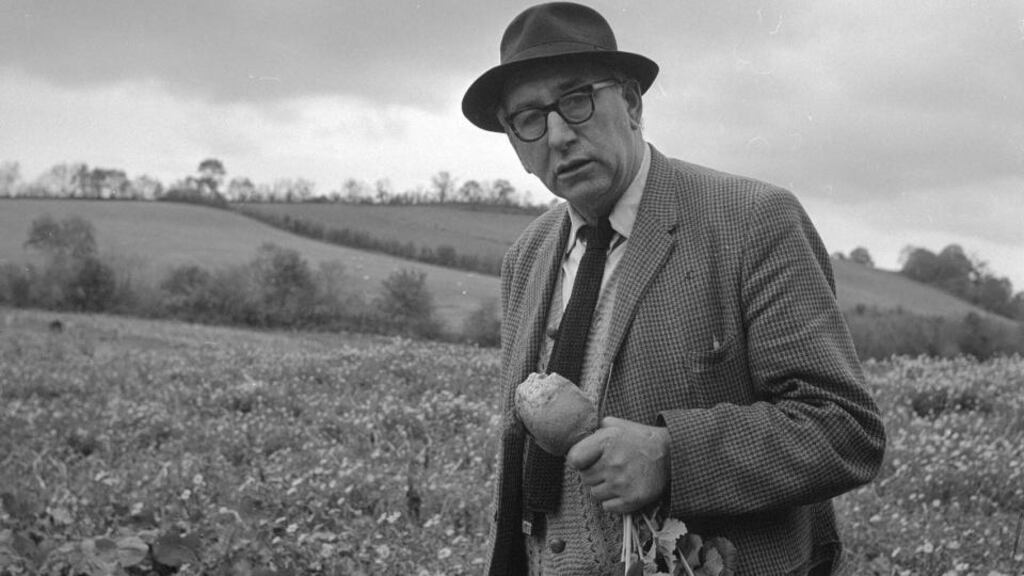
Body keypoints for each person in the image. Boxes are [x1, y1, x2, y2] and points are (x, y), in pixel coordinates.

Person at [461, 3, 886, 575]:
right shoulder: (526, 257)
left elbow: (845, 428)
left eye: (577, 100)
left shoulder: (752, 220)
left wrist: (670, 455)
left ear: (632, 103)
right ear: (515, 142)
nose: (558, 135)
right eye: (529, 118)